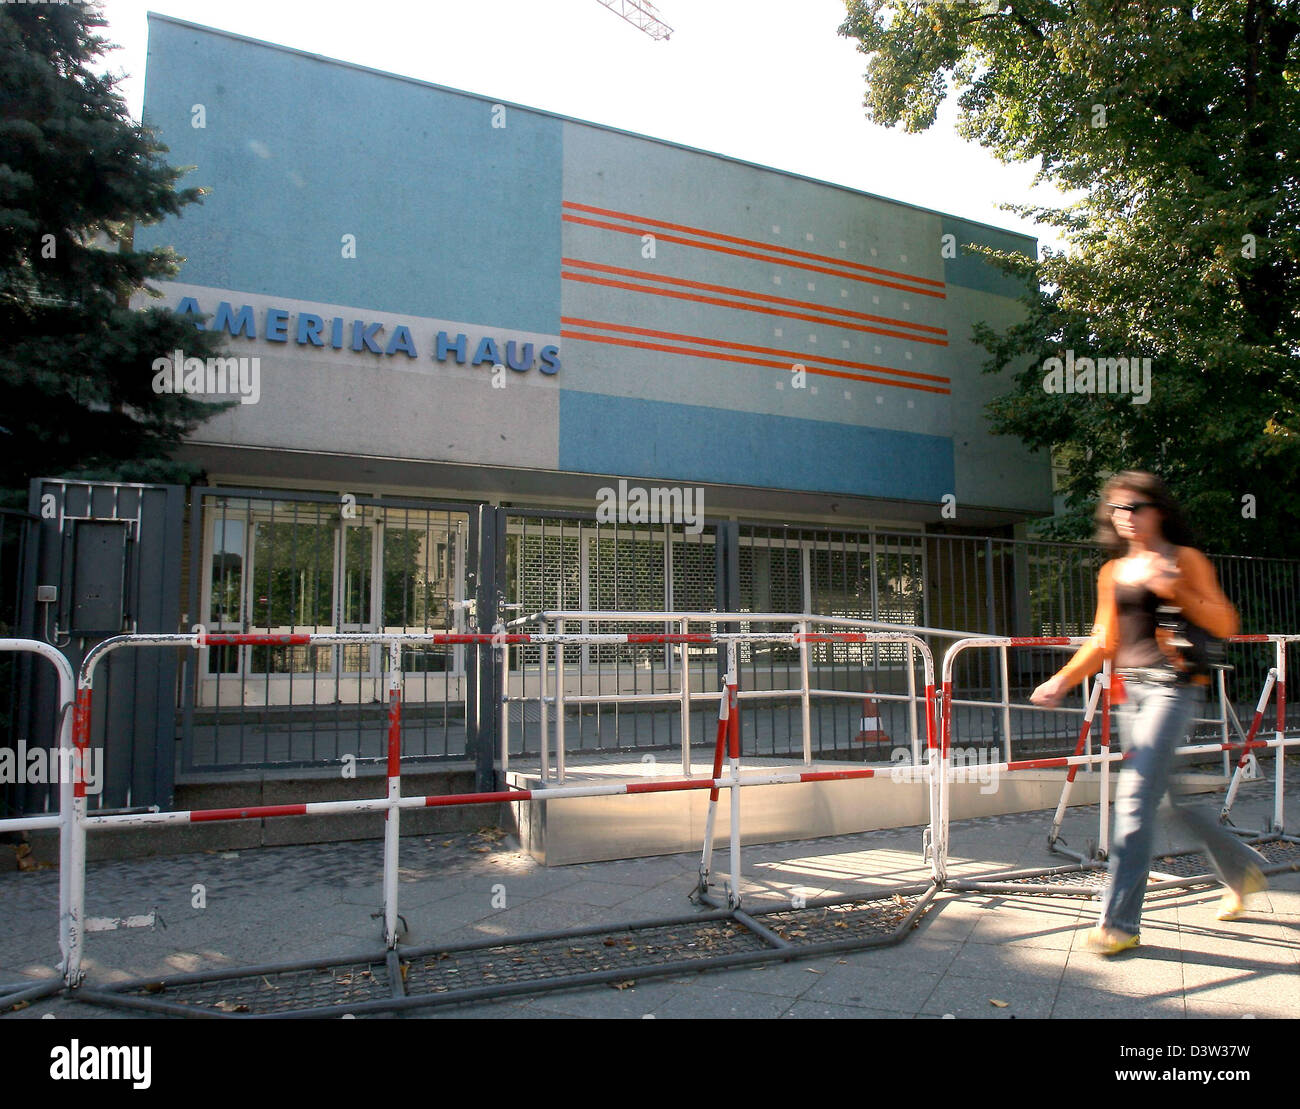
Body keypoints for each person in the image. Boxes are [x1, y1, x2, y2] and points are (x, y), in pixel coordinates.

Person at [1030, 471, 1267, 955]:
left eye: (1135, 506)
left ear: (1157, 510)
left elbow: (1224, 621)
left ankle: (1119, 922)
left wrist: (1176, 589)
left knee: (1135, 800)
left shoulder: (1184, 560)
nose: (1125, 517)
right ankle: (1241, 868)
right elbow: (1104, 640)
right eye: (1117, 508)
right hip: (1131, 693)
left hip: (1173, 689)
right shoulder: (1114, 572)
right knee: (1167, 803)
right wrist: (1062, 679)